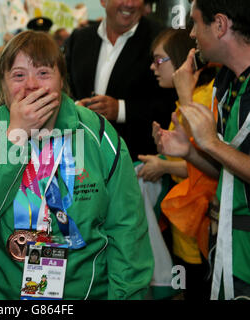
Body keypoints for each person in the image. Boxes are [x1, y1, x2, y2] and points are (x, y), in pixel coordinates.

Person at [0, 30, 153, 300]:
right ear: (3, 84)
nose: (31, 85)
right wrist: (16, 135)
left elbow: (127, 228)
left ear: (62, 80)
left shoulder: (98, 135)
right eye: (18, 75)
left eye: (43, 73)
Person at [154, 0, 250, 300]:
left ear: (220, 25)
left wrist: (211, 143)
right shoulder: (225, 82)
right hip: (224, 244)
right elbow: (226, 171)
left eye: (196, 23)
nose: (192, 34)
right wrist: (191, 153)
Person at [138, 28, 217, 300]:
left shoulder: (203, 100)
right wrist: (163, 155)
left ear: (183, 60)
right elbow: (186, 155)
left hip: (201, 226)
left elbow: (215, 168)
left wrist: (164, 167)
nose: (153, 67)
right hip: (184, 226)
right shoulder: (191, 99)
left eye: (160, 60)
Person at [64, 0, 176, 162]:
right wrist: (75, 108)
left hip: (137, 165)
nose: (129, 4)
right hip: (83, 159)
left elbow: (171, 103)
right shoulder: (79, 39)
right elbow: (64, 88)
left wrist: (121, 110)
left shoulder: (161, 40)